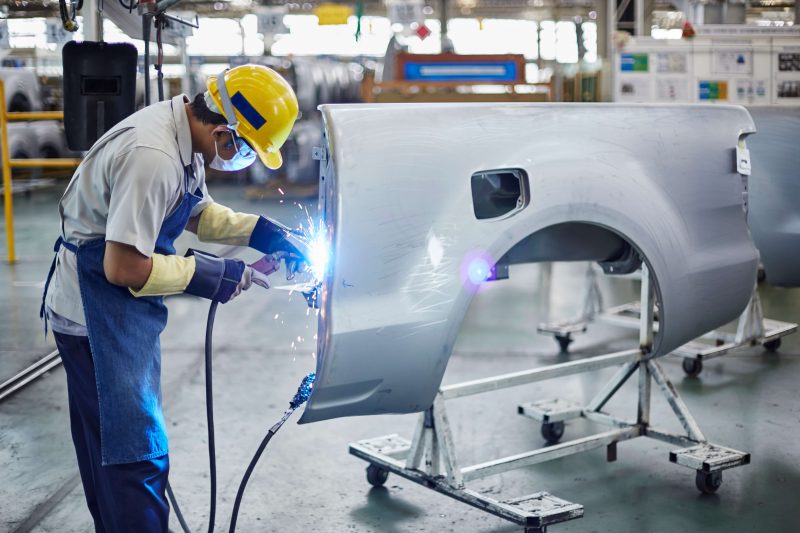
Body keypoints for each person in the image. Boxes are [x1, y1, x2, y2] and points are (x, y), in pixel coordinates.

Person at [40, 64, 302, 531]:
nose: (242, 158)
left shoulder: (186, 133)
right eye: (244, 148)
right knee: (132, 455)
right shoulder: (154, 155)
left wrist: (263, 233)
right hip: (94, 315)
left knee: (114, 449)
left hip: (117, 309)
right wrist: (211, 274)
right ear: (225, 130)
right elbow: (122, 267)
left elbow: (193, 210)